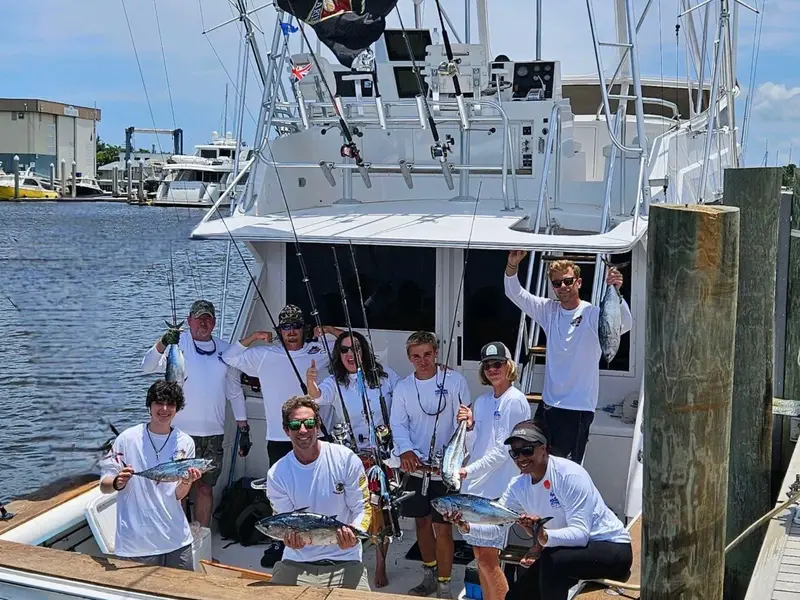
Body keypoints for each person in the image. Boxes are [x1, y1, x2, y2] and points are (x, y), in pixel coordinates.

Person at [440, 420, 633, 600]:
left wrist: (543, 536)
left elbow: (582, 534)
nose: (521, 458)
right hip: (566, 553)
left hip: (612, 548)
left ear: (543, 448)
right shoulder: (518, 486)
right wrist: (466, 527)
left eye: (527, 450)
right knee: (516, 596)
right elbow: (496, 528)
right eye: (515, 453)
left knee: (551, 559)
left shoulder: (569, 475)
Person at [504, 251, 631, 463]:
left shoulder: (592, 313)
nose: (562, 286)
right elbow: (514, 292)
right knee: (538, 465)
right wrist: (512, 265)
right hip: (547, 407)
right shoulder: (548, 310)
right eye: (557, 283)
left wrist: (617, 291)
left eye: (568, 281)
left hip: (578, 409)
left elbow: (624, 324)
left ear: (579, 282)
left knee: (566, 471)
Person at [141, 299, 249, 528]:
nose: (203, 322)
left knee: (204, 487)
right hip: (179, 433)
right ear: (189, 321)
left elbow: (234, 390)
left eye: (208, 318)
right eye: (198, 318)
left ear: (214, 322)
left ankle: (202, 539)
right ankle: (178, 537)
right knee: (178, 487)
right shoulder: (177, 347)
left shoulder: (225, 349)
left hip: (213, 433)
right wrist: (163, 342)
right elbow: (147, 366)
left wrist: (243, 426)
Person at [306, 330, 401, 588]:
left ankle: (381, 563)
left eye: (356, 349)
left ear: (365, 352)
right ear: (339, 355)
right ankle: (349, 559)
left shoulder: (385, 376)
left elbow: (406, 392)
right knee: (348, 509)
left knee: (379, 511)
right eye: (345, 350)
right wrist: (311, 381)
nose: (350, 354)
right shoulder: (334, 382)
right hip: (349, 455)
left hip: (380, 456)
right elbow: (316, 396)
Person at [389, 331, 472, 599]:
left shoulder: (456, 380)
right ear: (409, 359)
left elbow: (466, 425)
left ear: (436, 352)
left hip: (445, 471)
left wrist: (467, 420)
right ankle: (429, 576)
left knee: (444, 527)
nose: (422, 361)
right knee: (422, 524)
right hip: (416, 469)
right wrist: (406, 451)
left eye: (427, 354)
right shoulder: (402, 387)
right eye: (416, 356)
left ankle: (445, 586)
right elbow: (398, 425)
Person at [266, 396, 373, 591]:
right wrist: (288, 540)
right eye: (295, 424)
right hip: (296, 562)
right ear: (285, 430)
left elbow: (363, 508)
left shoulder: (346, 459)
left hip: (345, 559)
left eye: (309, 423)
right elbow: (284, 521)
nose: (303, 430)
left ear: (318, 425)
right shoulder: (276, 474)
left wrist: (354, 533)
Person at [455, 342, 531, 600]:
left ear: (508, 366)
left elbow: (503, 451)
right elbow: (473, 445)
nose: (492, 369)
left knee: (488, 561)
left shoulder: (516, 401)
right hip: (475, 490)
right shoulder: (482, 400)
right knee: (480, 558)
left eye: (497, 363)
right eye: (487, 365)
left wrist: (467, 471)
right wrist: (469, 426)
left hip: (498, 492)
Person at [220, 304, 340, 467]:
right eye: (286, 327)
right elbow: (229, 357)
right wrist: (254, 336)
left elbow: (354, 344)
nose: (291, 332)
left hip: (314, 433)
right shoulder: (263, 355)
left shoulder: (319, 350)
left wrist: (331, 330)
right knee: (281, 490)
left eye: (296, 326)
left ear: (303, 329)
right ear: (280, 330)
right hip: (279, 436)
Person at [99, 380, 202, 570]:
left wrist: (187, 482)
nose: (164, 409)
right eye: (158, 403)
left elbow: (178, 495)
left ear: (177, 409)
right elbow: (104, 486)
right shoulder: (126, 439)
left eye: (170, 404)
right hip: (136, 545)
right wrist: (116, 482)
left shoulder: (185, 442)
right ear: (149, 406)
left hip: (177, 540)